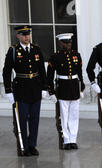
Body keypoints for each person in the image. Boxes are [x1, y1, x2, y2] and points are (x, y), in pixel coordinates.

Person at [2, 25, 49, 157]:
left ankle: (32, 145)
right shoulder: (13, 51)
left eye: (27, 34)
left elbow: (41, 70)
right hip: (21, 89)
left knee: (34, 119)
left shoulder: (36, 49)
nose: (26, 37)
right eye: (23, 35)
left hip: (35, 87)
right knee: (22, 119)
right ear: (18, 36)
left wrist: (44, 87)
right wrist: (8, 91)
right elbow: (6, 72)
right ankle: (23, 146)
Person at [47, 33, 85, 150]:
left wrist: (82, 87)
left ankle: (73, 139)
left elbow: (79, 73)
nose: (69, 44)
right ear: (61, 43)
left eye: (70, 42)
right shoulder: (55, 57)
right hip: (62, 87)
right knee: (64, 116)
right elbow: (50, 76)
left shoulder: (76, 55)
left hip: (74, 86)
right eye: (66, 42)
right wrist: (51, 92)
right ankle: (66, 139)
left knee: (74, 115)